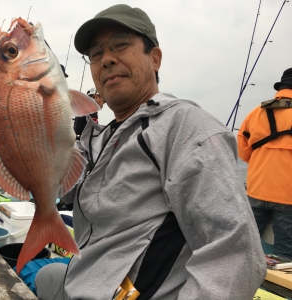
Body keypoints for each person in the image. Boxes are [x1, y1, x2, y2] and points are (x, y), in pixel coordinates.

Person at [35, 4, 266, 299]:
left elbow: (236, 254)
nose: (106, 59)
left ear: (155, 58)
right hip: (83, 276)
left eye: (120, 45)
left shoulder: (185, 127)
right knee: (47, 274)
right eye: (95, 54)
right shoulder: (99, 137)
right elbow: (61, 191)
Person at [238, 68, 292, 259]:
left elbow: (242, 147)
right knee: (285, 255)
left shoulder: (257, 111)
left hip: (256, 189)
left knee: (244, 246)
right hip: (288, 196)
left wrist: (261, 163)